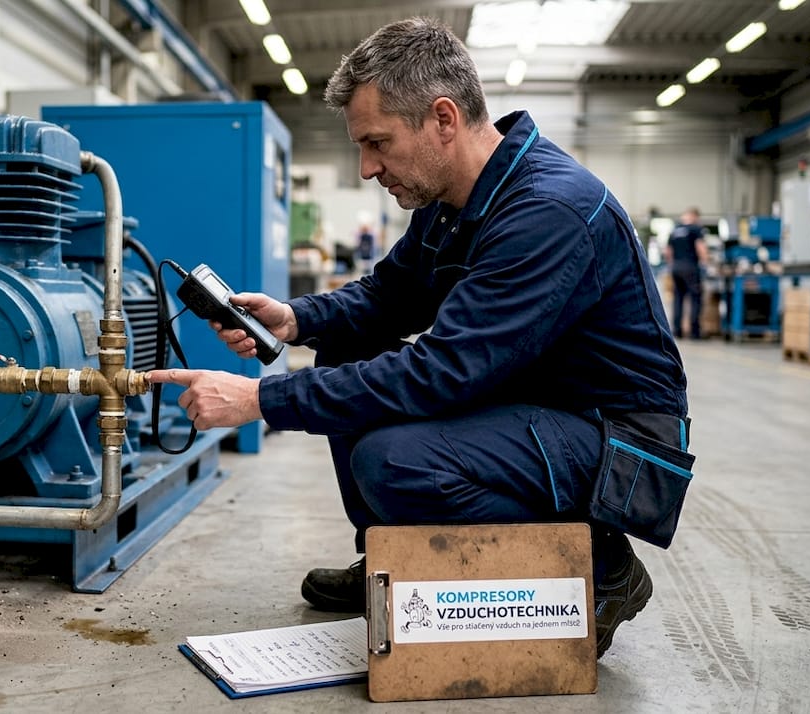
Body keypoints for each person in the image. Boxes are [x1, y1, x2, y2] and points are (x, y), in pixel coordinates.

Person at [148, 17, 691, 659]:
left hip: (612, 435)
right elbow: (387, 297)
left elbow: (442, 373)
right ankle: (392, 556)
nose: (367, 167)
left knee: (396, 462)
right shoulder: (450, 200)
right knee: (346, 346)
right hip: (532, 400)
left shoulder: (549, 211)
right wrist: (295, 319)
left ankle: (604, 567)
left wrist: (259, 401)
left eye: (377, 143)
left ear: (442, 119)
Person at [664, 208, 708, 339]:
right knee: (695, 298)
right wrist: (705, 263)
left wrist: (673, 265)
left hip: (676, 267)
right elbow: (700, 247)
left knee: (678, 298)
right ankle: (695, 332)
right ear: (695, 217)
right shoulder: (695, 229)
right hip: (690, 267)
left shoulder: (674, 230)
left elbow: (668, 252)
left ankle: (677, 331)